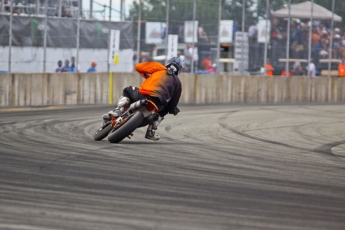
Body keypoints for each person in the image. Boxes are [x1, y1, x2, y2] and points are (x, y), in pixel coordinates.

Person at [102, 57, 183, 141]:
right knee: (167, 109)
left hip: (143, 95)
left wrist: (146, 75)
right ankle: (151, 130)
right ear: (179, 70)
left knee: (127, 90)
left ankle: (117, 111)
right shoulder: (178, 83)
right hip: (158, 105)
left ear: (168, 64)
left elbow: (138, 67)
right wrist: (173, 109)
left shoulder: (159, 67)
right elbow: (174, 102)